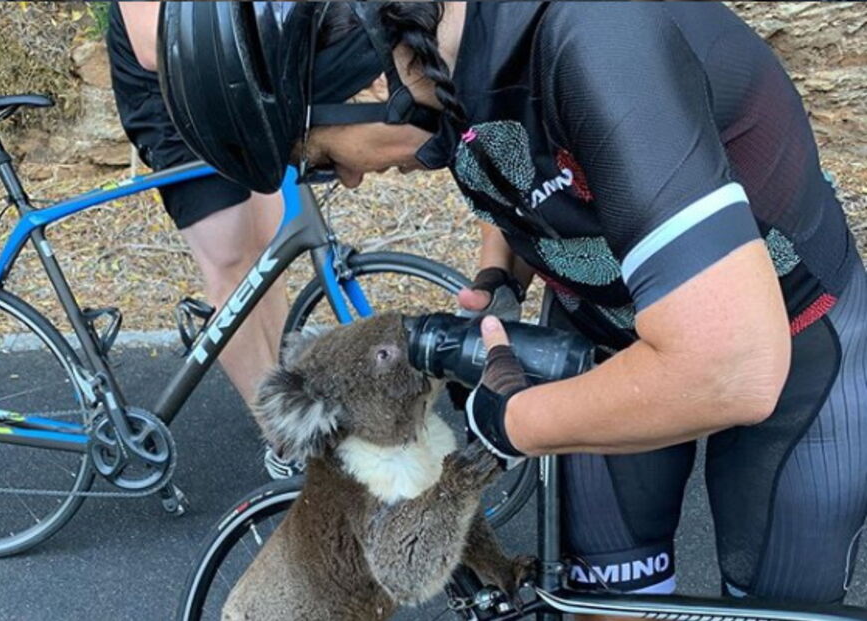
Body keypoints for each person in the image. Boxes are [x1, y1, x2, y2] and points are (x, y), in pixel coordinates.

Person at [159, 1, 867, 611]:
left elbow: (732, 366)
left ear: (369, 77)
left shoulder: (593, 39)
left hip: (797, 343)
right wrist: (503, 267)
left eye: (318, 155)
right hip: (602, 330)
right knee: (603, 604)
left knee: (771, 610)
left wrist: (509, 423)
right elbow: (521, 150)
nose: (346, 179)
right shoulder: (445, 52)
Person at [106, 3, 298, 479]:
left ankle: (285, 400)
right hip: (171, 105)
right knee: (230, 263)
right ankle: (283, 438)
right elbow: (153, 48)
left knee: (268, 254)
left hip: (229, 93)